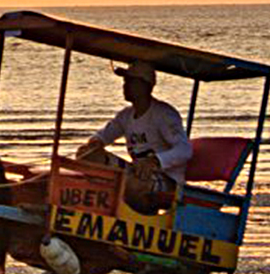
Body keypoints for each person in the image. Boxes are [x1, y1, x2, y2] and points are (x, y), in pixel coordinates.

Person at [75, 60, 192, 213]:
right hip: (137, 171)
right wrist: (95, 143)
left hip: (166, 178)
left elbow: (184, 150)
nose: (125, 86)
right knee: (86, 154)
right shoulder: (126, 115)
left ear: (145, 86)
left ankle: (139, 220)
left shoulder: (164, 114)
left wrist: (155, 161)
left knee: (133, 184)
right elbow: (103, 136)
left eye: (130, 81)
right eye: (125, 81)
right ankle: (94, 209)